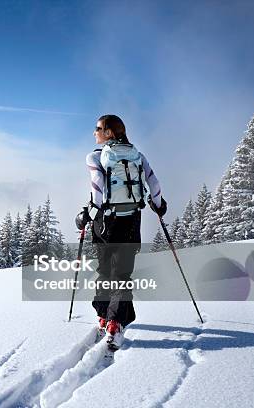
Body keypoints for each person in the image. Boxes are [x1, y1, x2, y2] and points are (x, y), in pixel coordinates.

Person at [75, 114, 167, 350]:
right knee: (122, 274)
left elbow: (97, 190)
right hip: (131, 222)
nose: (94, 132)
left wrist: (86, 217)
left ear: (108, 133)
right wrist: (158, 205)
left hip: (105, 223)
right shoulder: (138, 155)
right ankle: (116, 324)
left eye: (98, 128)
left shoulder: (95, 157)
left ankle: (104, 316)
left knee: (104, 270)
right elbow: (154, 184)